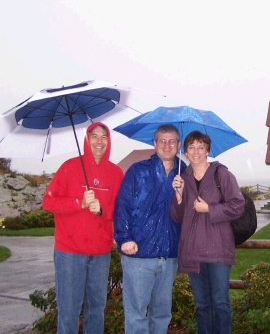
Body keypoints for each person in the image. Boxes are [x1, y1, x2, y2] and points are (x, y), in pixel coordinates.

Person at [42, 122, 124, 334]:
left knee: (96, 309)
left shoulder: (115, 173)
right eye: (94, 136)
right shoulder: (69, 167)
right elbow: (48, 202)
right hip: (69, 252)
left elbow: (122, 210)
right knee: (68, 311)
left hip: (100, 253)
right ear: (86, 140)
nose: (99, 141)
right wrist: (79, 203)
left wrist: (102, 210)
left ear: (109, 141)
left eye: (103, 136)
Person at [114, 124, 186, 334]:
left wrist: (181, 194)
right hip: (139, 253)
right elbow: (123, 206)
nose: (167, 145)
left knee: (162, 313)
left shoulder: (184, 174)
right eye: (162, 140)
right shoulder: (138, 171)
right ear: (154, 144)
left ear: (178, 144)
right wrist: (124, 238)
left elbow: (188, 215)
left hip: (169, 254)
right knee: (136, 313)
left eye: (172, 140)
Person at [171, 131, 245, 334]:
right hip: (193, 251)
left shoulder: (222, 175)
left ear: (207, 150)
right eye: (191, 147)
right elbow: (178, 217)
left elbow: (238, 206)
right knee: (202, 305)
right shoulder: (182, 178)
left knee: (220, 303)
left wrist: (210, 209)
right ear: (185, 151)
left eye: (201, 147)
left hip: (218, 250)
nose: (196, 151)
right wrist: (178, 195)